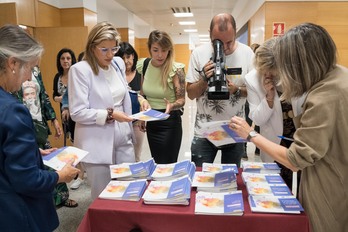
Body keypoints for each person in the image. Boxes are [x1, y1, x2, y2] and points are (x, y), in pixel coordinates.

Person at [229, 23, 348, 232]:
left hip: (330, 187)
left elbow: (295, 160)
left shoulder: (324, 96)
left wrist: (251, 134)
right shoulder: (340, 75)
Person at [0, 24, 79, 232]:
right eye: (30, 68)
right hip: (15, 212)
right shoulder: (12, 110)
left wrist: (33, 152)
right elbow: (28, 180)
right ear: (13, 63)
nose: (29, 78)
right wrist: (61, 176)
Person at [68, 21, 136, 199]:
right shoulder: (80, 70)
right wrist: (109, 115)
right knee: (103, 195)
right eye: (104, 49)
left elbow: (120, 92)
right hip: (97, 139)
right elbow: (77, 112)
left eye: (114, 49)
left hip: (123, 133)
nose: (110, 55)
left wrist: (141, 99)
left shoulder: (117, 64)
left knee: (128, 188)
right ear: (92, 47)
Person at [186, 13, 254, 167]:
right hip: (204, 131)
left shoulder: (247, 54)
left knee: (231, 179)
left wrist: (236, 90)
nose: (224, 48)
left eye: (229, 42)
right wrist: (204, 79)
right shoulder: (198, 53)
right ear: (210, 35)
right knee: (199, 177)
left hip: (235, 129)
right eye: (218, 42)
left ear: (236, 32)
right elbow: (190, 94)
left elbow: (255, 92)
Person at [15, 66, 78, 208]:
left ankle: (62, 197)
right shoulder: (13, 74)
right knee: (35, 163)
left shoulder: (36, 70)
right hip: (23, 123)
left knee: (53, 159)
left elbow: (43, 95)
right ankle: (45, 201)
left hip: (40, 122)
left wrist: (54, 119)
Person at [244, 38, 298, 190]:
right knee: (279, 186)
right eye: (263, 69)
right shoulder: (252, 79)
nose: (267, 74)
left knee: (305, 183)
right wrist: (268, 97)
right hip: (275, 139)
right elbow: (257, 120)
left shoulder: (295, 73)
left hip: (300, 135)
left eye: (272, 70)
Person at [136, 30, 186, 164]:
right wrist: (143, 111)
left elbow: (182, 100)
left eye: (164, 50)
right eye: (156, 50)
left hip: (169, 122)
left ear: (169, 50)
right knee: (157, 162)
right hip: (151, 120)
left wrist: (172, 105)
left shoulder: (176, 69)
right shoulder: (145, 65)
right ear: (150, 49)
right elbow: (142, 94)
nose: (160, 55)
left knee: (168, 165)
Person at [116, 42, 145, 162]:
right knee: (121, 155)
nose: (126, 61)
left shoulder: (140, 74)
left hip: (137, 121)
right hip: (120, 121)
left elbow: (143, 96)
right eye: (122, 58)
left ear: (133, 56)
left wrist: (143, 119)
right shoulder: (116, 75)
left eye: (128, 57)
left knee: (136, 154)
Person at [61, 51, 85, 190]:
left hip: (94, 119)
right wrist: (65, 107)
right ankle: (80, 175)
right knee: (78, 148)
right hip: (76, 117)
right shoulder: (74, 77)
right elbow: (66, 96)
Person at [53, 48, 77, 143]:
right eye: (62, 58)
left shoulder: (76, 75)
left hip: (76, 111)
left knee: (77, 139)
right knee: (70, 139)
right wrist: (59, 99)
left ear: (72, 60)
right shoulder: (57, 77)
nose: (65, 61)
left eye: (68, 58)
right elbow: (54, 94)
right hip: (64, 112)